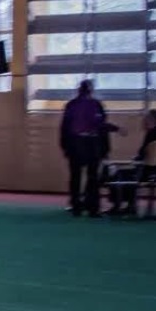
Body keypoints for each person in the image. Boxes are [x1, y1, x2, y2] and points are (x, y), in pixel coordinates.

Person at [59, 80, 109, 217]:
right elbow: (101, 126)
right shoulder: (95, 105)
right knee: (91, 177)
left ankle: (77, 206)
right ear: (91, 90)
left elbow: (64, 128)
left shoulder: (72, 105)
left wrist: (65, 146)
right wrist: (105, 148)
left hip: (78, 142)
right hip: (89, 143)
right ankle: (91, 207)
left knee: (77, 176)